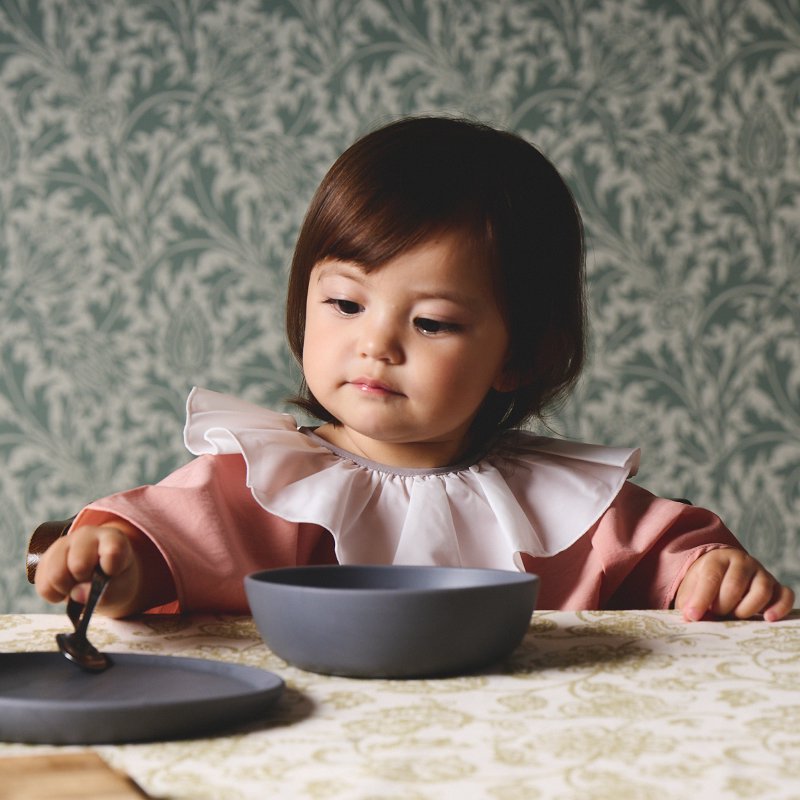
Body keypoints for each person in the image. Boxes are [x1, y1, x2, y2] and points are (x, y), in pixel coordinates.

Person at [33, 116, 794, 623]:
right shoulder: (267, 482)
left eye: (431, 322)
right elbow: (166, 543)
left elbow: (673, 560)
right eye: (345, 304)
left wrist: (713, 575)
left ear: (524, 356)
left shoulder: (565, 504)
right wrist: (115, 563)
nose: (377, 344)